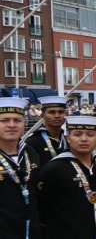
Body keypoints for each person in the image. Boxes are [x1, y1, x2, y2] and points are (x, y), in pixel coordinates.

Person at [37, 115, 96, 238]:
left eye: (90, 134)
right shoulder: (53, 169)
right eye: (77, 134)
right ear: (68, 138)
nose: (84, 139)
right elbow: (42, 208)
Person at [0, 98, 41, 239]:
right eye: (4, 120)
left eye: (17, 120)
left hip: (31, 231)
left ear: (24, 124)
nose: (11, 125)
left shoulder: (31, 153)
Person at [25, 96, 69, 165]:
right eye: (52, 112)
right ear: (42, 115)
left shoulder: (69, 140)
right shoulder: (33, 142)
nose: (57, 116)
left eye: (61, 112)